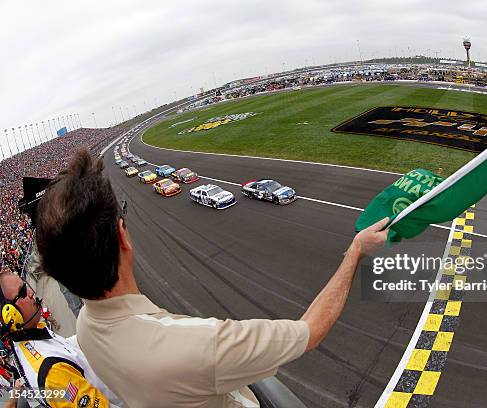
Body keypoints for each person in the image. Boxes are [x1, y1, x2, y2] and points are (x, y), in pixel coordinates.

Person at [35, 150, 389, 408]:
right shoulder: (196, 345)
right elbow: (310, 332)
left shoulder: (85, 328)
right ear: (122, 237)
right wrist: (355, 250)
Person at [0, 271, 124, 407]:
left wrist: (93, 331)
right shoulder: (52, 373)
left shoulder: (30, 336)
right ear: (10, 316)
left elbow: (66, 348)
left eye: (26, 285)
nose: (31, 292)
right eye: (22, 292)